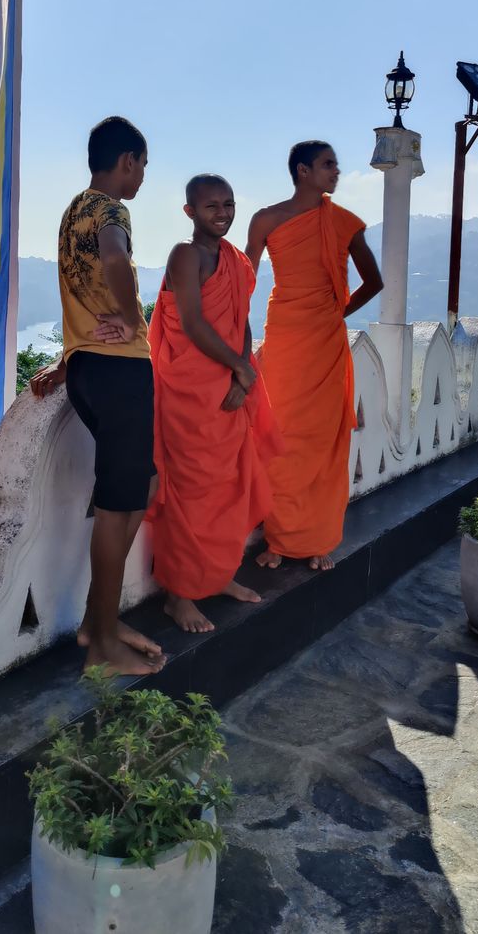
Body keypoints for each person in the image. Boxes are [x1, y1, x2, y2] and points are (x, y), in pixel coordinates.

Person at [30, 116, 165, 677]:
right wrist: (136, 318)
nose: (141, 179)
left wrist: (68, 361)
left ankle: (97, 619)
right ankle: (103, 645)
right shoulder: (111, 210)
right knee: (117, 506)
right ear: (127, 160)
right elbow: (113, 259)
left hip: (88, 367)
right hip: (117, 370)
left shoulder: (72, 211)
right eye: (142, 167)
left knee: (139, 488)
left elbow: (82, 287)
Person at [146, 175, 282, 634]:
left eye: (228, 204)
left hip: (227, 382)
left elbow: (241, 320)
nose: (222, 213)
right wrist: (238, 368)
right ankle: (179, 595)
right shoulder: (185, 255)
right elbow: (193, 323)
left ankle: (217, 576)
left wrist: (243, 369)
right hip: (189, 390)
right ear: (190, 212)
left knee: (227, 487)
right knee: (190, 489)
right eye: (210, 207)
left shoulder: (234, 259)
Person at [246, 141, 383, 571]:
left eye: (336, 165)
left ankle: (319, 539)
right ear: (303, 171)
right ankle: (280, 538)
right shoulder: (266, 220)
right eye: (328, 165)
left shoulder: (343, 223)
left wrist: (334, 312)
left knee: (323, 443)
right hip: (284, 337)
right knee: (280, 437)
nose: (336, 172)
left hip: (325, 343)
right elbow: (243, 278)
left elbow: (373, 282)